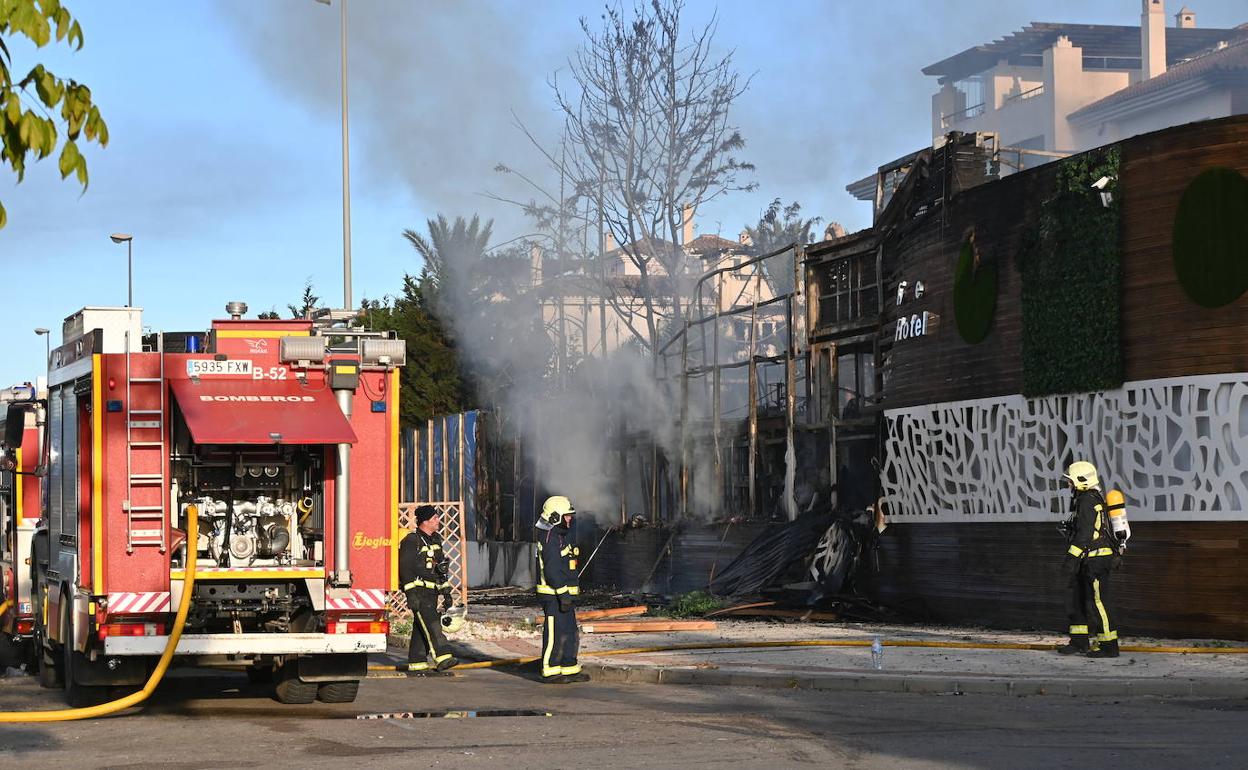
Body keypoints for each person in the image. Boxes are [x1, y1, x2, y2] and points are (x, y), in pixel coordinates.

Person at [1058, 461, 1120, 658]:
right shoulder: (1086, 499)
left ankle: (1109, 646)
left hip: (1096, 561)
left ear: (1081, 481)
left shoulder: (1087, 501)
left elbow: (1085, 535)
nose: (1068, 484)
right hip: (1087, 559)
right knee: (1077, 599)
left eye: (1070, 481)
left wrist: (1070, 558)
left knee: (1098, 603)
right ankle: (1079, 641)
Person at [398, 505, 459, 674]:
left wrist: (446, 593)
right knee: (432, 624)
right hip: (418, 592)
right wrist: (410, 594)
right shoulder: (412, 541)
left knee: (420, 627)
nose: (438, 521)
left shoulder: (435, 540)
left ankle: (417, 662)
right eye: (435, 518)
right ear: (425, 521)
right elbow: (405, 569)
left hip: (432, 592)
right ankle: (443, 657)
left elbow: (441, 569)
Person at [535, 495, 588, 683]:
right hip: (553, 595)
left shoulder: (558, 536)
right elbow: (551, 570)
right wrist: (563, 592)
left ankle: (568, 667)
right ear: (555, 516)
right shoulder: (550, 539)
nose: (569, 519)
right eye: (566, 516)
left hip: (563, 594)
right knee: (555, 632)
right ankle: (550, 669)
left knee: (569, 631)